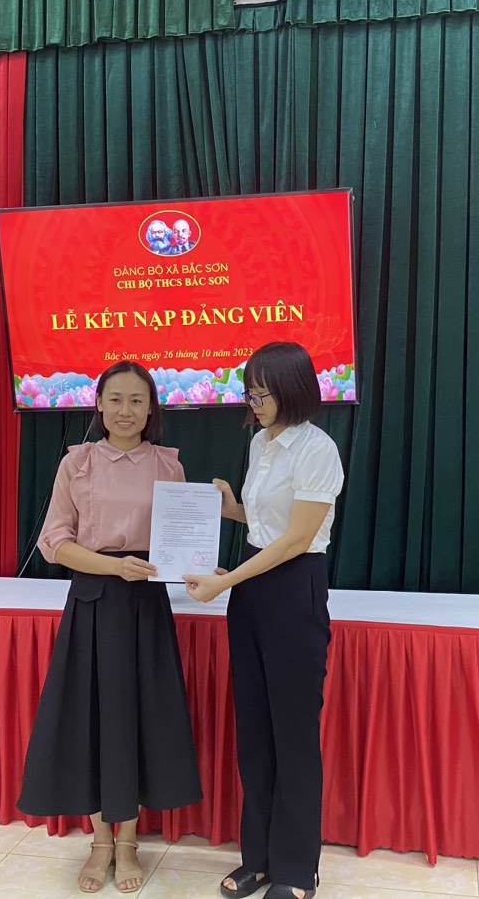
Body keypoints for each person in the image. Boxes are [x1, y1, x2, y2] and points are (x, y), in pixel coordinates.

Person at [17, 361, 202, 895]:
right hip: (94, 601)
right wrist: (112, 567)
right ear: (98, 404)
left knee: (138, 719)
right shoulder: (76, 462)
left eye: (137, 400)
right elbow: (55, 542)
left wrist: (195, 565)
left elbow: (180, 540)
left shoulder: (168, 465)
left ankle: (129, 841)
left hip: (146, 605)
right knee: (94, 719)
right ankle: (101, 841)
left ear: (151, 408)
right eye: (116, 399)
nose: (126, 410)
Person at [184, 341, 344, 899]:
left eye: (261, 394)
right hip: (253, 588)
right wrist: (229, 507)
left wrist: (226, 580)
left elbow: (297, 538)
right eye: (249, 393)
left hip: (294, 589)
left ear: (292, 391)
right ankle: (258, 859)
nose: (253, 404)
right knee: (254, 731)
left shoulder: (318, 449)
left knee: (293, 732)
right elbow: (266, 522)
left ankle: (298, 869)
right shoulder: (260, 442)